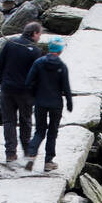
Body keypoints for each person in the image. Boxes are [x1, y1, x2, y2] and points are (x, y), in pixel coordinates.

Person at [0, 20, 44, 166]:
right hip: (25, 92)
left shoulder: (10, 44)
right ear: (34, 33)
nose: (40, 37)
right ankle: (27, 150)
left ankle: (10, 153)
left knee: (8, 121)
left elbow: (0, 64)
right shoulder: (35, 51)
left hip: (7, 89)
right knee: (25, 121)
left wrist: (2, 81)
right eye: (39, 34)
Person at [24, 37, 73, 172]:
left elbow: (28, 82)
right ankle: (48, 162)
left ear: (49, 48)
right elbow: (66, 87)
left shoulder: (38, 63)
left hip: (40, 102)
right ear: (60, 50)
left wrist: (34, 96)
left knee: (39, 130)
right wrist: (69, 103)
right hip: (56, 104)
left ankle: (31, 154)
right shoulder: (62, 66)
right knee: (52, 132)